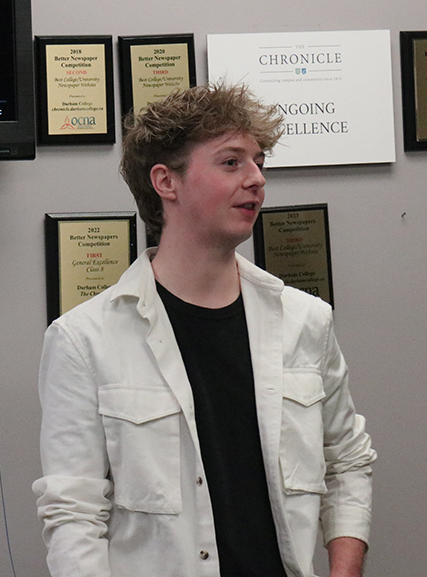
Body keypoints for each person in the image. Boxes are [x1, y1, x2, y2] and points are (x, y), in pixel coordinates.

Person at [33, 84, 375, 577]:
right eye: (231, 162)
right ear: (166, 182)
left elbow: (346, 462)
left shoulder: (305, 321)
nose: (257, 179)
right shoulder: (84, 340)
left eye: (259, 161)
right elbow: (74, 514)